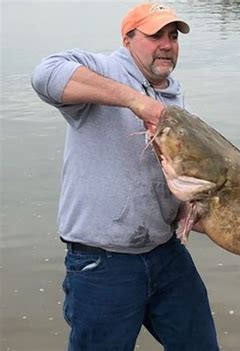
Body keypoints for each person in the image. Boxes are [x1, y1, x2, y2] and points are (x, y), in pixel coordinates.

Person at [31, 3, 219, 350]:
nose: (167, 44)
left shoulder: (178, 104)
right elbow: (46, 74)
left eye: (173, 36)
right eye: (155, 35)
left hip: (166, 254)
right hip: (102, 263)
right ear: (128, 38)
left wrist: (191, 211)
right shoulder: (102, 70)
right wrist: (137, 103)